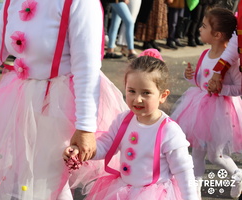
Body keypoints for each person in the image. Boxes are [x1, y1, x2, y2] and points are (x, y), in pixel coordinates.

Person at [0, 0, 128, 199]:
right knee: (22, 177)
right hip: (20, 98)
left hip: (59, 104)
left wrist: (85, 127)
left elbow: (87, 67)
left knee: (46, 181)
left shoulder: (79, 3)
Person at [63, 50, 198, 199]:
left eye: (146, 93)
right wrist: (82, 150)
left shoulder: (169, 130)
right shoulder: (123, 120)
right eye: (131, 91)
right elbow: (106, 146)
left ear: (163, 96)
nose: (137, 99)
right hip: (122, 191)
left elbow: (183, 172)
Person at [170, 7, 242, 199]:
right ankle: (195, 191)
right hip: (198, 108)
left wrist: (222, 89)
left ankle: (237, 174)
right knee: (197, 153)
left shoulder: (230, 61)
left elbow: (239, 88)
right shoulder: (204, 54)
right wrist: (191, 77)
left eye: (203, 26)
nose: (199, 29)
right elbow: (200, 82)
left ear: (217, 34)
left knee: (215, 156)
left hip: (220, 113)